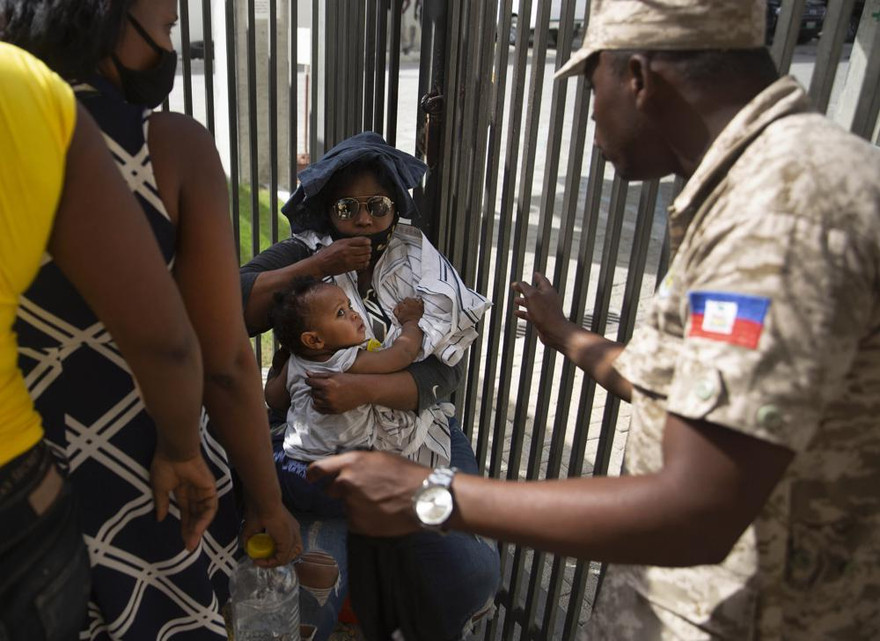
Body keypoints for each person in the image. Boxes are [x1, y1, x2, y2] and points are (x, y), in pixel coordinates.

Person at [308, 1, 880, 639]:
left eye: (589, 83)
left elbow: (698, 506)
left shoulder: (779, 214)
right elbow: (708, 397)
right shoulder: (768, 188)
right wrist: (566, 335)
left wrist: (428, 494)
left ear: (636, 74)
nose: (587, 113)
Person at [3, 1, 300, 639]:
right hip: (157, 484)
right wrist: (269, 504)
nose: (168, 48)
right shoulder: (170, 146)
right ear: (103, 18)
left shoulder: (12, 117)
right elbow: (222, 364)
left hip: (25, 478)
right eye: (165, 28)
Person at [241, 132, 500, 640]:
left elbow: (443, 374)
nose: (362, 218)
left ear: (395, 208)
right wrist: (319, 266)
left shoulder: (418, 260)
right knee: (312, 588)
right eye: (347, 206)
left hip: (416, 431)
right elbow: (231, 304)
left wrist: (364, 390)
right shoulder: (304, 252)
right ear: (326, 208)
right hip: (318, 441)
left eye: (377, 206)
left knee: (472, 574)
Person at [0, 41, 217, 641]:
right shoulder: (28, 95)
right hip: (32, 474)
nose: (170, 47)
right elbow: (172, 343)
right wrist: (180, 449)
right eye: (168, 24)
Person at [268, 277, 454, 470]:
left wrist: (278, 369)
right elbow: (402, 354)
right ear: (314, 340)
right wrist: (412, 322)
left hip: (296, 459)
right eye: (341, 313)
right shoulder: (347, 361)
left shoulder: (294, 364)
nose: (354, 314)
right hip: (344, 465)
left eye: (349, 306)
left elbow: (273, 398)